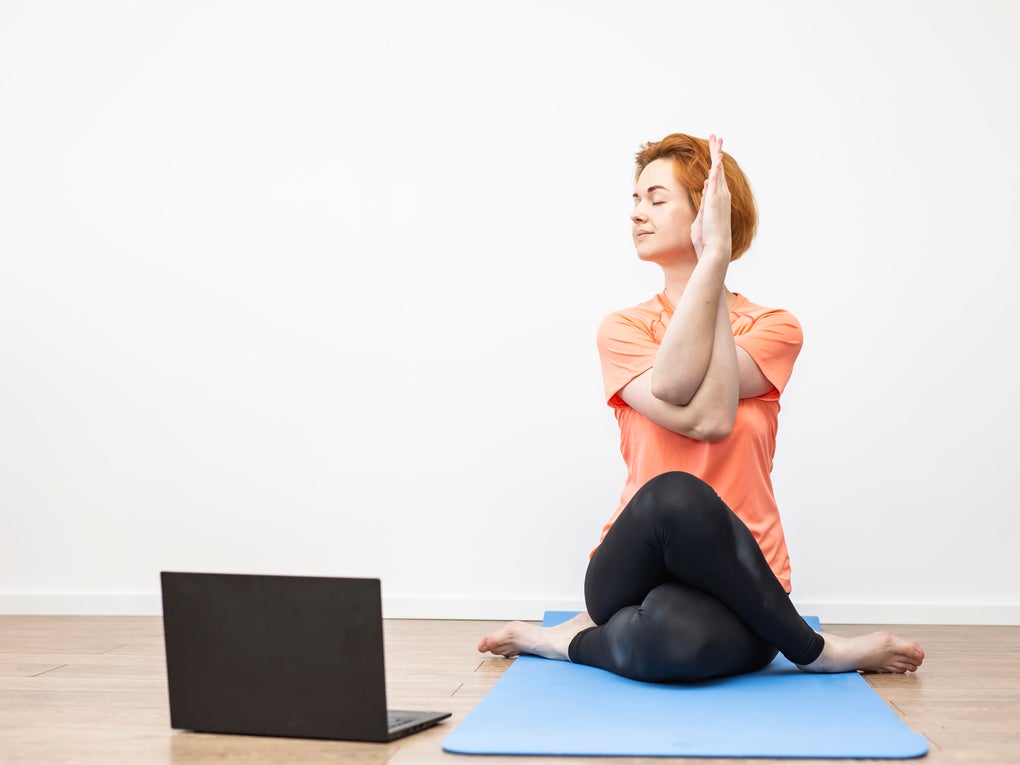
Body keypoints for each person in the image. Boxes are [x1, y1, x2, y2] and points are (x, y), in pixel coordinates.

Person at [477, 133, 925, 682]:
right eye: (635, 200)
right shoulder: (624, 329)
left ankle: (562, 640)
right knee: (673, 495)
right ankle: (816, 651)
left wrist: (713, 256)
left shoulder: (773, 327)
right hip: (631, 567)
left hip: (747, 577)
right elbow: (690, 400)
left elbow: (706, 414)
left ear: (710, 211)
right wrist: (713, 259)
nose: (637, 213)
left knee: (668, 644)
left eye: (656, 199)